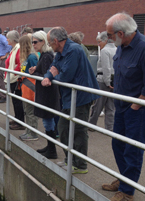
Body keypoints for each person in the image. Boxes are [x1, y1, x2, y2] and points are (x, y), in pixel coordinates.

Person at [102, 12, 145, 201]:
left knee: (132, 150)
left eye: (110, 35)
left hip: (137, 110)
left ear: (121, 33)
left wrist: (135, 106)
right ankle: (124, 179)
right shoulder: (122, 46)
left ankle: (127, 191)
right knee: (117, 145)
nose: (108, 38)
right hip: (121, 106)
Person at [42, 27, 99, 174]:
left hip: (81, 96)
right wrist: (49, 75)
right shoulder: (61, 52)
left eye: (49, 43)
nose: (49, 46)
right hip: (69, 97)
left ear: (56, 41)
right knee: (63, 128)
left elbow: (66, 76)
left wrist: (55, 75)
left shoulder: (73, 50)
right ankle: (70, 160)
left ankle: (80, 165)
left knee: (78, 131)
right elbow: (53, 67)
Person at [29, 31, 60, 159]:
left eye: (35, 42)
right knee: (48, 121)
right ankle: (50, 147)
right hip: (46, 94)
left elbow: (47, 77)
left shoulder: (46, 55)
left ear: (43, 42)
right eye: (32, 42)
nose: (33, 44)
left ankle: (52, 150)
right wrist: (35, 69)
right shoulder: (44, 55)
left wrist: (34, 74)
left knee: (48, 122)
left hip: (47, 94)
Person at [88, 31, 117, 131]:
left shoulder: (105, 51)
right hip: (114, 81)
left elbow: (106, 68)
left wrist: (108, 82)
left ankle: (92, 124)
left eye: (99, 42)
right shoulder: (117, 50)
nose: (98, 44)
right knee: (110, 106)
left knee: (98, 105)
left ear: (105, 40)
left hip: (103, 80)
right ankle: (110, 127)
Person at [19, 35, 39, 141]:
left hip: (30, 88)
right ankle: (28, 131)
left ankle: (33, 132)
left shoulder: (31, 57)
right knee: (27, 111)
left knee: (31, 112)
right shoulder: (27, 57)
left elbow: (36, 72)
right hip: (25, 88)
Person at [4, 30, 25, 130]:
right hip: (12, 77)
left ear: (12, 39)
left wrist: (14, 73)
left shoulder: (18, 49)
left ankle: (20, 122)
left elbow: (21, 63)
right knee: (15, 100)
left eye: (8, 38)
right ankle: (17, 118)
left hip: (15, 79)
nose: (7, 39)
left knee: (17, 101)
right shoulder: (14, 48)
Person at [0, 26, 12, 103]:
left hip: (1, 60)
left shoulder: (1, 38)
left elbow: (8, 45)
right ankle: (1, 94)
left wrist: (5, 55)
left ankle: (3, 95)